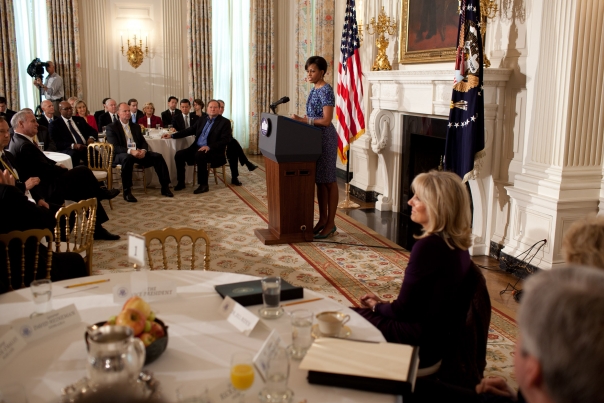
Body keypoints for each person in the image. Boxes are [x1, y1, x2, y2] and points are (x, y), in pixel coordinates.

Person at [353, 170, 474, 375]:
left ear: (437, 206)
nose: (409, 202)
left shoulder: (428, 247)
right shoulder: (458, 245)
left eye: (417, 198)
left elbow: (403, 311)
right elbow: (423, 305)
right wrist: (382, 306)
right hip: (439, 337)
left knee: (342, 320)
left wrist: (376, 308)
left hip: (419, 342)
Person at [8, 110, 121, 240]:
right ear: (21, 124)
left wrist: (56, 164)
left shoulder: (20, 140)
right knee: (82, 171)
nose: (37, 124)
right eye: (33, 121)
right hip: (44, 188)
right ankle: (100, 197)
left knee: (84, 190)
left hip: (46, 182)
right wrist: (64, 171)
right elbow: (44, 170)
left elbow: (43, 160)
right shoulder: (23, 145)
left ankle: (97, 227)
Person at [0, 183, 88, 294]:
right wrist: (10, 189)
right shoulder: (7, 192)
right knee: (75, 261)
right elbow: (47, 222)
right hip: (25, 267)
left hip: (13, 266)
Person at [291, 56, 339, 239]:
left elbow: (326, 120)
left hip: (325, 139)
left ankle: (331, 223)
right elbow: (311, 114)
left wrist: (303, 120)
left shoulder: (326, 90)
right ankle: (322, 219)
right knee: (320, 180)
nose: (309, 74)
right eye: (308, 71)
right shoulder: (314, 89)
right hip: (313, 139)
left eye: (312, 71)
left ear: (322, 72)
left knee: (329, 181)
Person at [106, 102, 173, 202]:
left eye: (129, 111)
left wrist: (144, 151)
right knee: (127, 158)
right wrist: (130, 151)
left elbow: (143, 142)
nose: (128, 113)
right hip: (121, 155)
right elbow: (115, 147)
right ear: (118, 113)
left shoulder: (135, 126)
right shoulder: (112, 127)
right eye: (125, 111)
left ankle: (165, 187)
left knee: (157, 156)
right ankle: (127, 191)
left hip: (137, 153)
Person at [162, 99, 231, 194]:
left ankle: (203, 185)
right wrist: (172, 135)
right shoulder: (202, 119)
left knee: (200, 155)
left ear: (219, 109)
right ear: (207, 108)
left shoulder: (225, 122)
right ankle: (181, 182)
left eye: (215, 107)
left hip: (213, 151)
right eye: (211, 107)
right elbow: (190, 130)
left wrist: (209, 147)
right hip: (196, 147)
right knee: (179, 154)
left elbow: (225, 140)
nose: (213, 109)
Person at [216, 99, 257, 186]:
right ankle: (246, 163)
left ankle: (235, 177)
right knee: (233, 144)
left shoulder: (225, 121)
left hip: (227, 144)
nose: (221, 109)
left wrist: (231, 140)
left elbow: (228, 136)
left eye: (222, 107)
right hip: (215, 145)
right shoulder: (211, 120)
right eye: (219, 107)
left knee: (233, 149)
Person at [49, 101, 98, 167]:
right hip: (69, 149)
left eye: (70, 108)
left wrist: (91, 137)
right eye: (66, 109)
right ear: (60, 110)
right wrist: (73, 145)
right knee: (73, 154)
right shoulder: (55, 124)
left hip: (84, 147)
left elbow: (93, 131)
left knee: (94, 152)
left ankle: (95, 173)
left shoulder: (80, 120)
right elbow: (56, 142)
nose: (69, 110)